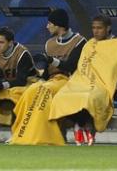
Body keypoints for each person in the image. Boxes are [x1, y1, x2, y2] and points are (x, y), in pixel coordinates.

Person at [50, 15, 117, 146]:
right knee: (61, 97)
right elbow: (82, 67)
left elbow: (114, 69)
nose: (96, 31)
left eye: (99, 28)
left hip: (107, 84)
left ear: (108, 28)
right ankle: (82, 125)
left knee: (89, 97)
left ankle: (85, 127)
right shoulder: (89, 44)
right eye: (93, 28)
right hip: (83, 82)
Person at [11, 9, 88, 145]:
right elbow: (47, 71)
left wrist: (50, 60)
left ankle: (45, 134)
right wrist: (40, 77)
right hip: (51, 81)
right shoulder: (49, 44)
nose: (47, 26)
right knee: (30, 91)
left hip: (69, 81)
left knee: (41, 91)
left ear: (58, 25)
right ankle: (21, 132)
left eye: (50, 23)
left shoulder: (79, 42)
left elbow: (70, 66)